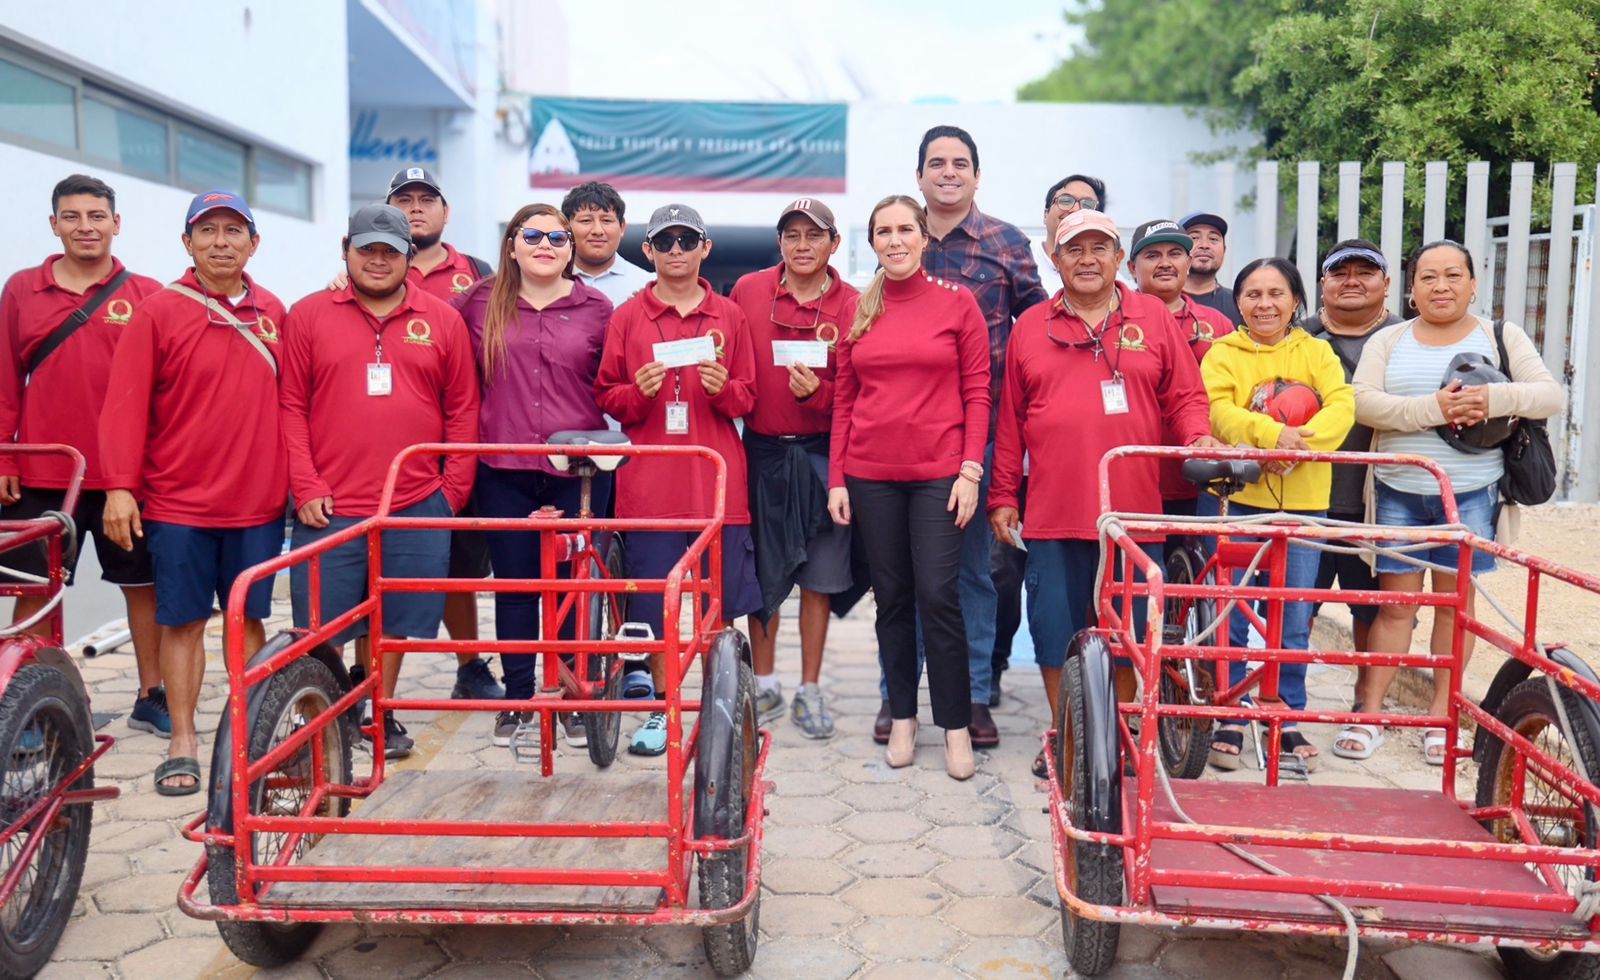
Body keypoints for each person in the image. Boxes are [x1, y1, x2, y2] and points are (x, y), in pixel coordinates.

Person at [990, 209, 1217, 780]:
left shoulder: (1154, 320)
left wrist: (1198, 439)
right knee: (1054, 632)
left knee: (1128, 634)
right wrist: (1001, 494)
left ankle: (1112, 736)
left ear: (1120, 259)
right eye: (1074, 250)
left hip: (1133, 514)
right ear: (1054, 259)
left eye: (1100, 248)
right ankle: (1069, 736)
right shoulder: (1030, 326)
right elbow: (1011, 421)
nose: (1087, 259)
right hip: (1053, 510)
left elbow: (1187, 397)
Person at [99, 191, 288, 795]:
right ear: (187, 243)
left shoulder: (276, 313)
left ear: (254, 243)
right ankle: (182, 738)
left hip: (257, 503)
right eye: (207, 231)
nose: (221, 241)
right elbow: (122, 410)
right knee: (181, 622)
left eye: (234, 230)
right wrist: (119, 489)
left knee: (248, 619)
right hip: (179, 504)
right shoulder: (157, 312)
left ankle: (250, 734)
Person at [280, 204, 480, 761]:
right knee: (323, 624)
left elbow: (463, 409)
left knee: (393, 621)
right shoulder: (309, 314)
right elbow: (291, 406)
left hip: (416, 502)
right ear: (346, 249)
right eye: (366, 249)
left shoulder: (441, 319)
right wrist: (305, 482)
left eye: (389, 251)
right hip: (330, 503)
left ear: (408, 257)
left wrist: (450, 494)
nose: (377, 260)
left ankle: (377, 712)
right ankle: (334, 710)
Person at [1350, 240, 1563, 763]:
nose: (1440, 286)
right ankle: (1369, 716)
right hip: (1399, 490)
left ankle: (1440, 721)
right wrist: (1435, 408)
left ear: (1473, 283)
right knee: (1395, 607)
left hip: (1471, 495)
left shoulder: (1501, 335)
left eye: (1452, 276)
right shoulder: (1389, 339)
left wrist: (1494, 397)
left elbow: (1550, 396)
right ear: (1412, 286)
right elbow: (1362, 401)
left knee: (1456, 608)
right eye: (1428, 277)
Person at [827, 194, 990, 781]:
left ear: (924, 238)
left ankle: (953, 726)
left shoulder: (957, 303)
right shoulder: (859, 309)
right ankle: (903, 716)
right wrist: (837, 478)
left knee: (939, 597)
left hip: (939, 476)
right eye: (882, 232)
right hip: (871, 476)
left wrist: (971, 470)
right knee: (891, 599)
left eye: (904, 230)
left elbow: (978, 392)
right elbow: (845, 398)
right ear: (871, 243)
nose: (894, 240)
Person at [594, 203, 763, 757]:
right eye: (663, 242)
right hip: (650, 486)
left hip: (716, 484)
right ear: (647, 251)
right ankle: (661, 714)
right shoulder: (627, 316)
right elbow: (609, 399)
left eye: (685, 241)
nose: (674, 251)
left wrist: (721, 388)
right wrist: (638, 392)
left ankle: (724, 712)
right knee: (655, 609)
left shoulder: (729, 315)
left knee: (721, 605)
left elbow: (747, 397)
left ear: (704, 249)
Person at [0, 174, 166, 735]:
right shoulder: (22, 289)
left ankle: (153, 693)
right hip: (43, 475)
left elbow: (164, 393)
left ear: (117, 224)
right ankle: (28, 705)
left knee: (142, 587)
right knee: (36, 592)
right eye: (72, 217)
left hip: (125, 478)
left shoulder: (147, 294)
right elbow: (4, 382)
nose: (85, 227)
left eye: (97, 216)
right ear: (54, 225)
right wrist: (5, 460)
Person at [908, 124, 1048, 749]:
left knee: (975, 571)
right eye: (936, 163)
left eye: (959, 163)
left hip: (982, 431)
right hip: (910, 433)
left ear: (977, 175)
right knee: (909, 571)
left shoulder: (1005, 241)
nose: (948, 172)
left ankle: (973, 695)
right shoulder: (900, 235)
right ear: (919, 176)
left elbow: (1039, 321)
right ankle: (901, 695)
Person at [454, 203, 613, 748]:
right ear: (513, 244)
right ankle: (519, 697)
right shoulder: (476, 304)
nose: (546, 244)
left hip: (580, 470)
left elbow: (612, 385)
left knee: (571, 586)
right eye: (534, 234)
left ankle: (570, 696)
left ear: (570, 249)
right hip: (503, 466)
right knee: (517, 585)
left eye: (557, 236)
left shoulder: (598, 307)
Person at [1199, 256, 1354, 772]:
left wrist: (1299, 445)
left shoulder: (1319, 351)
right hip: (1240, 499)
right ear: (1238, 301)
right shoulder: (1223, 352)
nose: (1264, 303)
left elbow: (1341, 406)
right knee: (1235, 613)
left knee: (1293, 616)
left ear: (1295, 300)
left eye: (1276, 293)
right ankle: (1230, 715)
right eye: (1253, 294)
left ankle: (1284, 718)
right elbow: (1219, 411)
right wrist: (1271, 437)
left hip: (1307, 501)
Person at [728, 198, 859, 740]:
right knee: (765, 574)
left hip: (826, 452)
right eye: (792, 235)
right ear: (779, 242)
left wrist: (822, 394)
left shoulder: (855, 302)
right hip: (761, 450)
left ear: (834, 243)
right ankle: (764, 682)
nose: (802, 245)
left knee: (820, 577)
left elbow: (860, 389)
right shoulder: (748, 291)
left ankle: (809, 688)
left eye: (814, 235)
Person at [379, 167, 504, 704]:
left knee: (461, 565)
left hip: (461, 442)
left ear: (445, 211)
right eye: (403, 200)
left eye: (425, 200)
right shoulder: (371, 268)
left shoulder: (478, 273)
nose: (415, 209)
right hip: (393, 449)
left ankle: (470, 663)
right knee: (385, 576)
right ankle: (374, 693)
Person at [1301, 239, 1403, 738]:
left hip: (1375, 502)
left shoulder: (1404, 340)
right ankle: (1286, 709)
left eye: (1366, 272)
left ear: (1387, 284)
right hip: (1305, 502)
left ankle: (1366, 709)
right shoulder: (1299, 337)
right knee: (1295, 610)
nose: (1353, 280)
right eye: (1341, 272)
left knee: (1372, 608)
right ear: (1323, 283)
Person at [1126, 218, 1233, 516]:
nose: (1165, 263)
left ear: (1187, 263)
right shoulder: (1114, 320)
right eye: (1152, 255)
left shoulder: (1218, 323)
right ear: (1132, 268)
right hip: (1134, 475)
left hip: (1202, 479)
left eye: (1174, 254)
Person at [561, 181, 654, 307]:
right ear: (567, 228)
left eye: (606, 221)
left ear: (622, 227)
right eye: (586, 220)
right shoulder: (548, 281)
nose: (597, 231)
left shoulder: (647, 285)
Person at [1181, 211, 1241, 328]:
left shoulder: (1239, 304)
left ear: (1224, 250)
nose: (1204, 245)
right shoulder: (1162, 301)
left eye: (1213, 239)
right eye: (1194, 238)